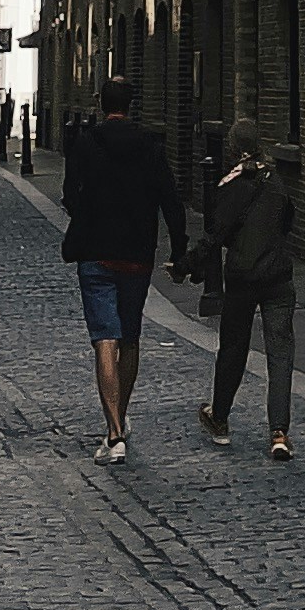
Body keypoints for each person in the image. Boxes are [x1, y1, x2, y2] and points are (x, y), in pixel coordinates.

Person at [60, 73, 190, 463]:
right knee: (130, 337)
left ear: (102, 104)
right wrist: (180, 252)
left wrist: (86, 216)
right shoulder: (149, 144)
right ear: (130, 104)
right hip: (137, 253)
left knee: (104, 339)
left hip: (96, 252)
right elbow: (171, 200)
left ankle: (114, 431)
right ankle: (119, 418)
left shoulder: (85, 143)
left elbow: (70, 194)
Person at [196, 122, 299, 458]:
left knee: (234, 349)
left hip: (243, 277)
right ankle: (279, 432)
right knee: (280, 355)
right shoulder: (277, 181)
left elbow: (218, 230)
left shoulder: (233, 184)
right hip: (278, 277)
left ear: (234, 147)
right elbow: (287, 222)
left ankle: (220, 417)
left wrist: (187, 264)